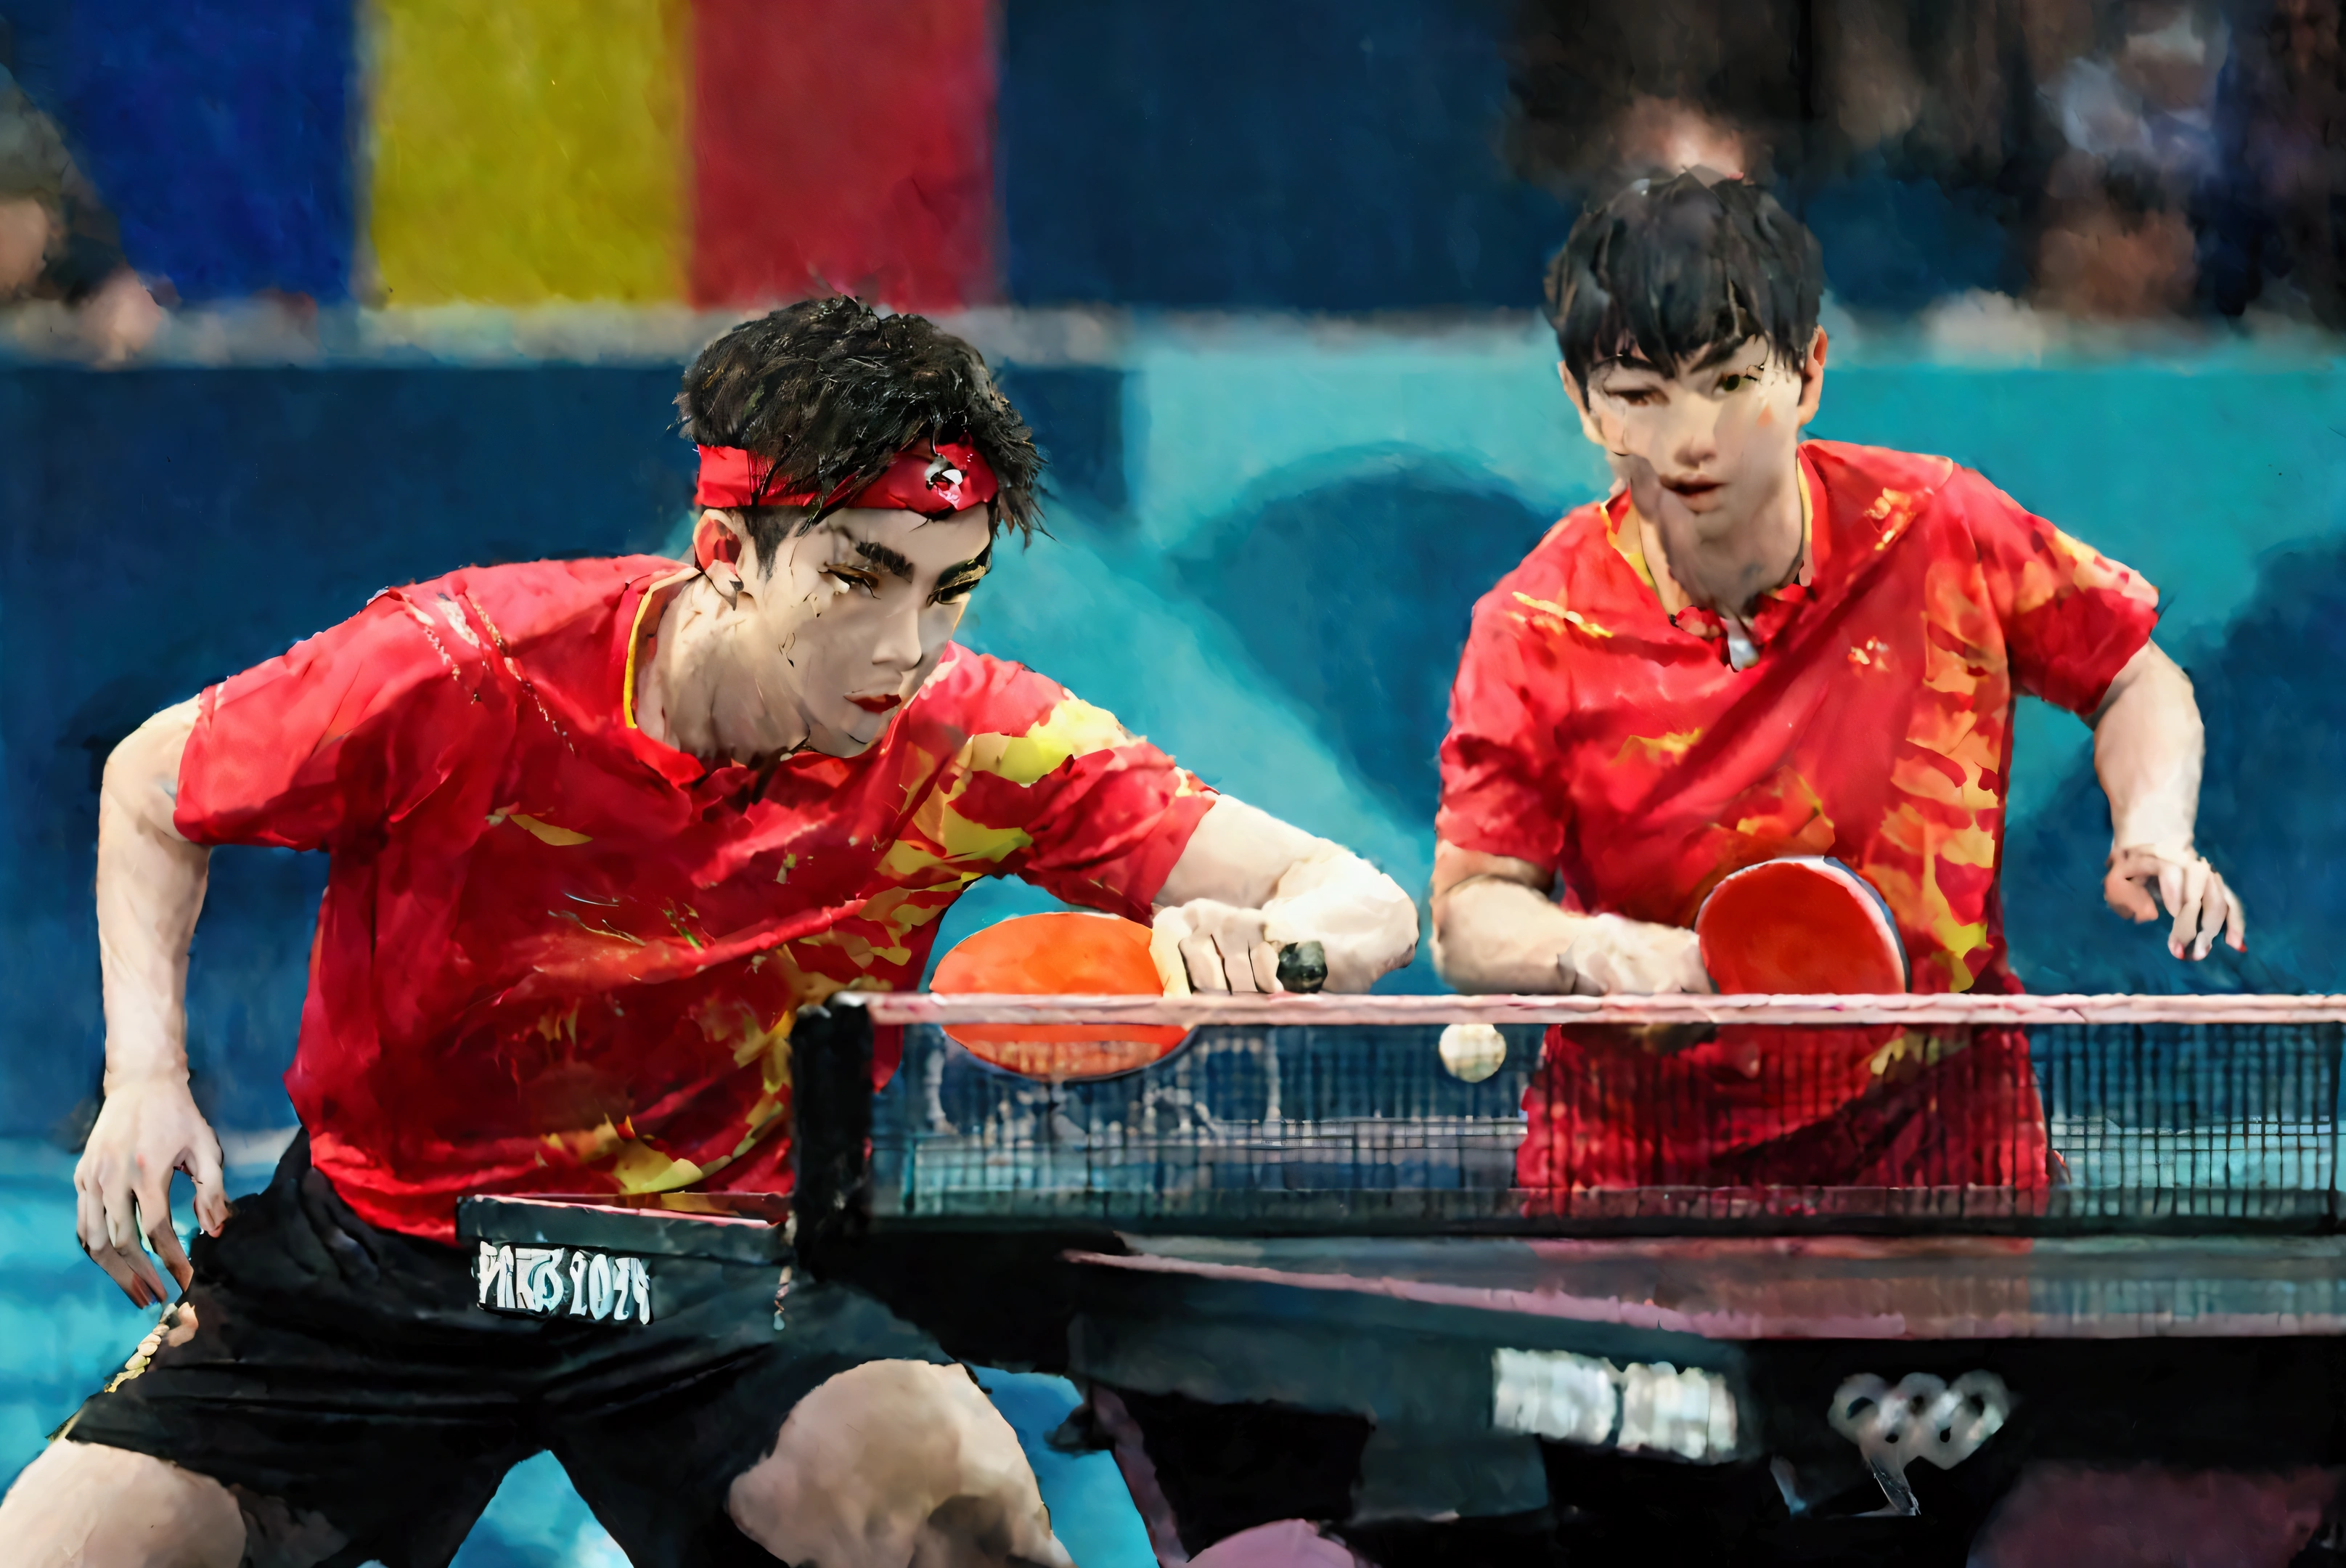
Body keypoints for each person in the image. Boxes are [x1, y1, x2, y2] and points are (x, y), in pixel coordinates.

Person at [1, 298, 1420, 1567]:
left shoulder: (974, 745)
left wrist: (1265, 953)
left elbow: (1362, 903)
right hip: (381, 1257)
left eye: (949, 588)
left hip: (722, 1270)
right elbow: (152, 780)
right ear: (727, 550)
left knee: (959, 1521)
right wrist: (142, 1080)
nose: (906, 648)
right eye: (859, 579)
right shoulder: (461, 672)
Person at [1431, 173, 2241, 1195]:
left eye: (1729, 384)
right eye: (1640, 396)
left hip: (1945, 1166)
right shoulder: (1537, 628)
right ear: (1581, 404)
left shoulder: (1939, 528)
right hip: (1642, 1190)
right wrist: (1592, 949)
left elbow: (2133, 678)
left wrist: (2155, 830)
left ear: (1808, 374)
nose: (1690, 441)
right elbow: (1471, 917)